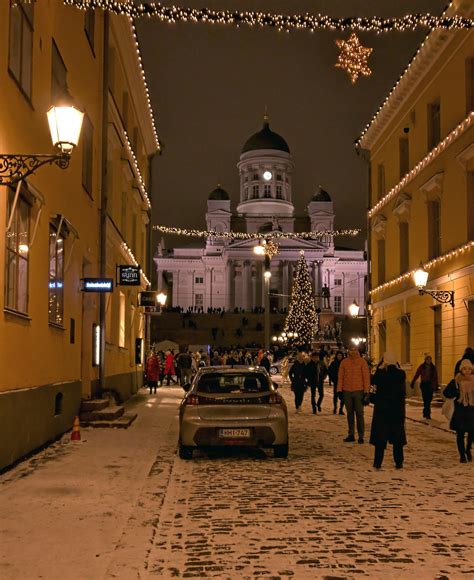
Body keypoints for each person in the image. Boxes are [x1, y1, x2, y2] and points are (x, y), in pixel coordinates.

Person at [369, 352, 407, 469]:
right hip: (397, 410)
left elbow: (373, 382)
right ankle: (399, 461)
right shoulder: (401, 374)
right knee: (397, 439)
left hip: (382, 409)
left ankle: (377, 462)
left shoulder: (380, 374)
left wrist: (380, 366)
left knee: (380, 438)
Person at [443, 359, 474, 463]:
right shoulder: (456, 381)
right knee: (460, 434)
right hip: (460, 411)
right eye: (464, 369)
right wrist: (455, 392)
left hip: (471, 411)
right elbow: (446, 393)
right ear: (461, 369)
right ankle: (462, 455)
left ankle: (468, 449)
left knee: (472, 433)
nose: (467, 371)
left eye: (469, 369)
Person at [337, 346, 370, 443]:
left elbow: (366, 377)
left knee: (359, 414)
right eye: (351, 349)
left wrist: (366, 391)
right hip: (347, 391)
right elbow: (340, 377)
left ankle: (361, 436)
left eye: (354, 349)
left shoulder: (362, 362)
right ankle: (351, 434)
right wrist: (339, 390)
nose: (352, 351)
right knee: (350, 414)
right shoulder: (344, 362)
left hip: (359, 391)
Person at [411, 355, 438, 419]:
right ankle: (428, 413)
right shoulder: (422, 367)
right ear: (425, 360)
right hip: (424, 385)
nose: (429, 361)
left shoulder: (433, 368)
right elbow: (417, 374)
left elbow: (435, 377)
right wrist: (413, 382)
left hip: (430, 385)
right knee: (425, 399)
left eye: (430, 359)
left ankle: (425, 412)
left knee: (429, 399)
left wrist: (436, 385)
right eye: (427, 359)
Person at [328, 351, 345, 415]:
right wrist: (333, 378)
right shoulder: (333, 363)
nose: (339, 357)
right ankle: (335, 407)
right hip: (336, 381)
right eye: (338, 355)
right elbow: (330, 371)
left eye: (340, 355)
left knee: (343, 396)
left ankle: (341, 409)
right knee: (336, 395)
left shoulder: (344, 363)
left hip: (344, 382)